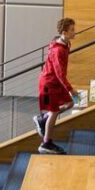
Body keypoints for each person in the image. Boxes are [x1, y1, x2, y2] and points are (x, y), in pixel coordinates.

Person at [33, 18, 80, 155]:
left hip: (56, 82)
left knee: (70, 103)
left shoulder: (66, 43)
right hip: (49, 84)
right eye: (72, 30)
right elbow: (59, 73)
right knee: (53, 112)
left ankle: (42, 119)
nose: (74, 32)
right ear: (64, 32)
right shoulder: (58, 50)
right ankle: (46, 143)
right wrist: (70, 89)